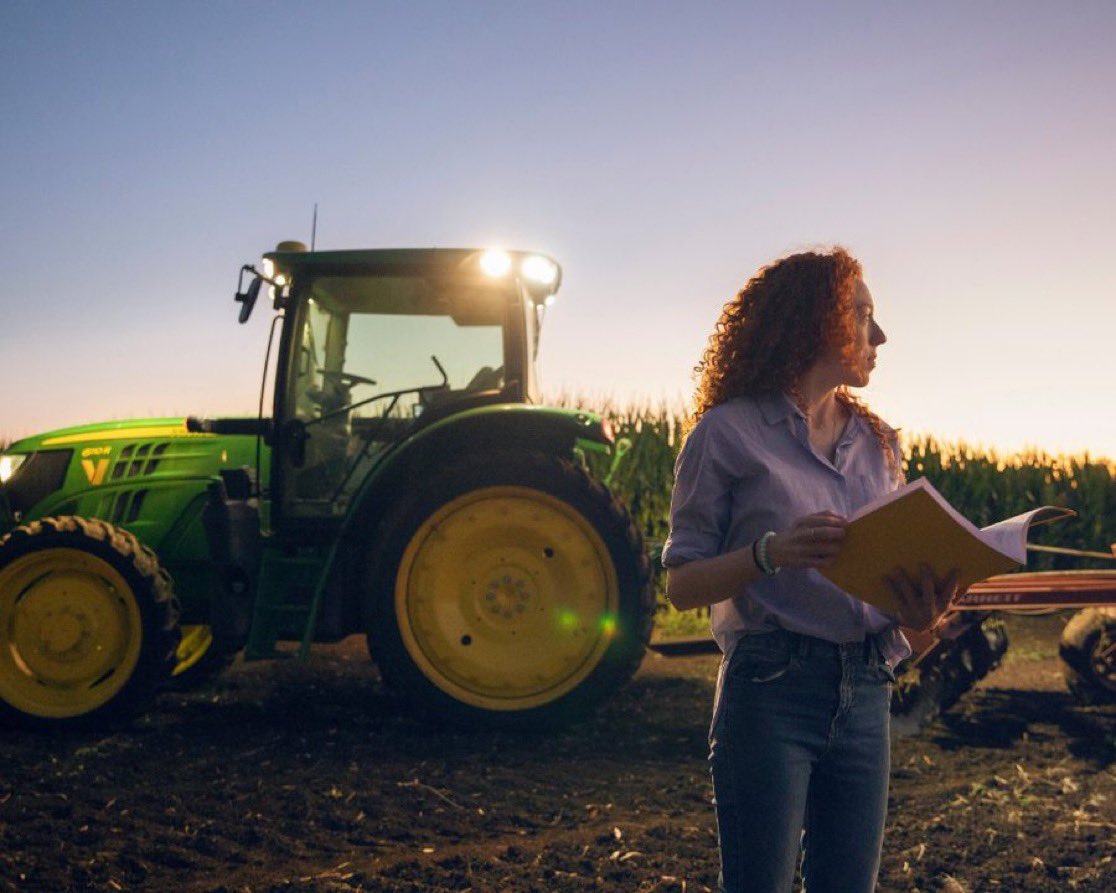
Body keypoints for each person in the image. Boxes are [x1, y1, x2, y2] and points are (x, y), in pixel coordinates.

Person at [661, 247, 957, 893]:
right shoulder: (726, 432)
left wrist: (920, 618)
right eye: (862, 314)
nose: (878, 335)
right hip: (770, 688)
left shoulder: (879, 443)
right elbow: (682, 584)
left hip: (867, 687)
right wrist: (772, 553)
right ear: (810, 319)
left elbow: (891, 595)